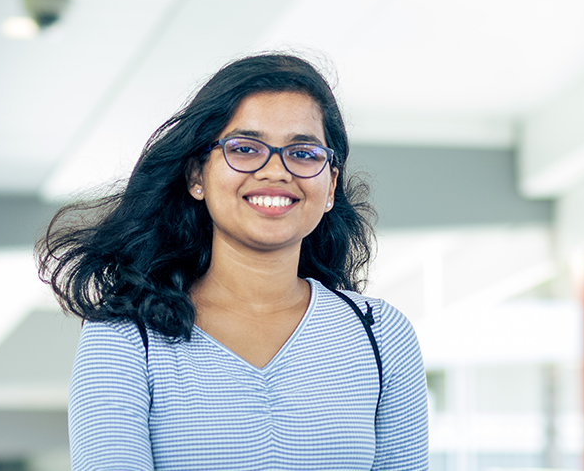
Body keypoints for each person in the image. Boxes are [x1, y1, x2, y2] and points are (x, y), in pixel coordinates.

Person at [39, 53, 428, 470]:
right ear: (196, 176)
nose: (276, 171)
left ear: (330, 185)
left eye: (303, 153)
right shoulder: (127, 339)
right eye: (244, 148)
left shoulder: (380, 335)